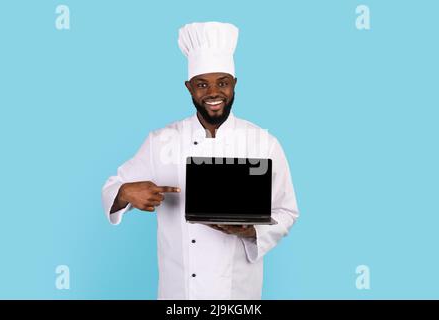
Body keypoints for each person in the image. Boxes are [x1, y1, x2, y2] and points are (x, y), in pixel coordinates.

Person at [102, 21, 299, 299]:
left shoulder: (263, 142)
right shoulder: (161, 140)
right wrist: (125, 192)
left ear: (234, 85)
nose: (213, 93)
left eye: (223, 83)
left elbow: (287, 211)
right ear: (189, 87)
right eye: (202, 84)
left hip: (237, 295)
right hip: (179, 296)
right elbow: (113, 186)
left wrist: (252, 230)